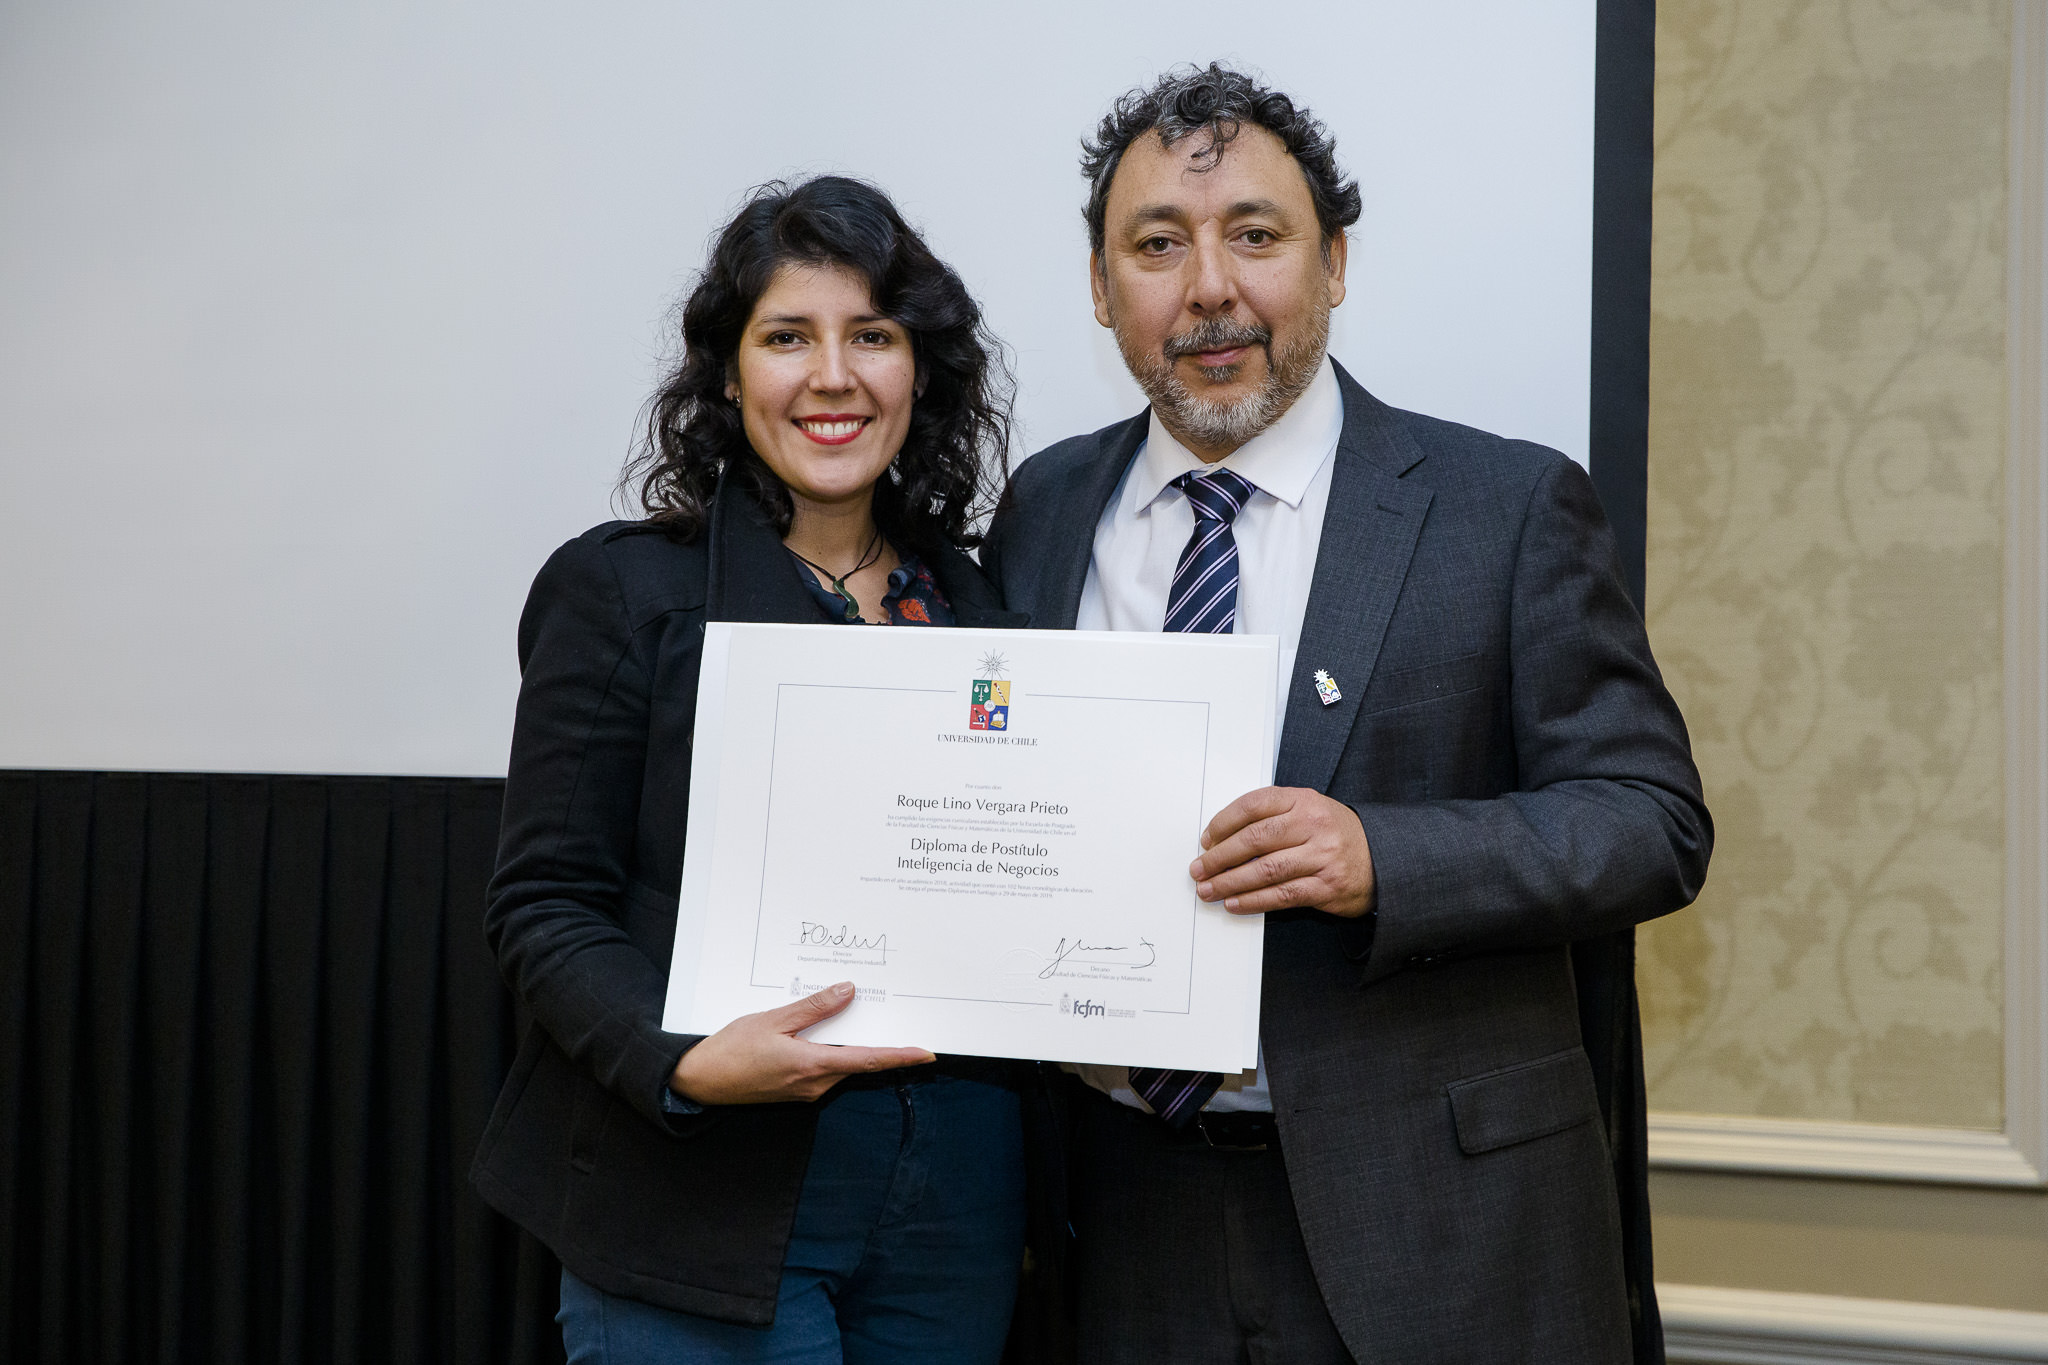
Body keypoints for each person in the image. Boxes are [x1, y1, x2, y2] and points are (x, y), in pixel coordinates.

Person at [980, 65, 1712, 1364]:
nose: (1209, 288)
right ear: (1100, 287)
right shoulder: (1043, 509)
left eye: (1256, 236)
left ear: (1332, 265)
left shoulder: (1503, 506)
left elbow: (1651, 823)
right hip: (1122, 1218)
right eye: (1158, 245)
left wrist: (1384, 858)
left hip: (1443, 1228)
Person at [471, 174, 1042, 1364]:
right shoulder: (623, 593)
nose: (832, 376)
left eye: (871, 336)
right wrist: (684, 1060)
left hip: (956, 1210)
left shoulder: (985, 608)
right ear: (729, 376)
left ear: (919, 372)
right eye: (786, 337)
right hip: (698, 1196)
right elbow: (544, 904)